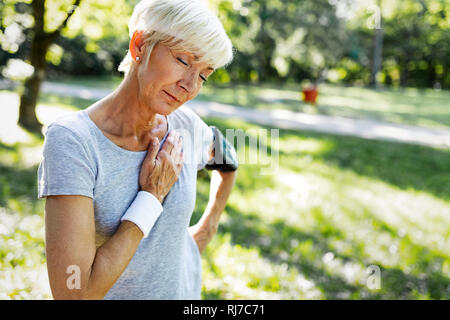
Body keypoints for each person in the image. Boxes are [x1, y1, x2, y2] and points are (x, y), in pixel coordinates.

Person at [37, 0, 237, 300]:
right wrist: (151, 197)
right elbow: (73, 294)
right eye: (184, 61)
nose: (190, 86)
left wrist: (208, 227)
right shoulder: (73, 141)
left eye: (204, 75)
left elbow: (227, 156)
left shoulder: (185, 126)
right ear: (140, 45)